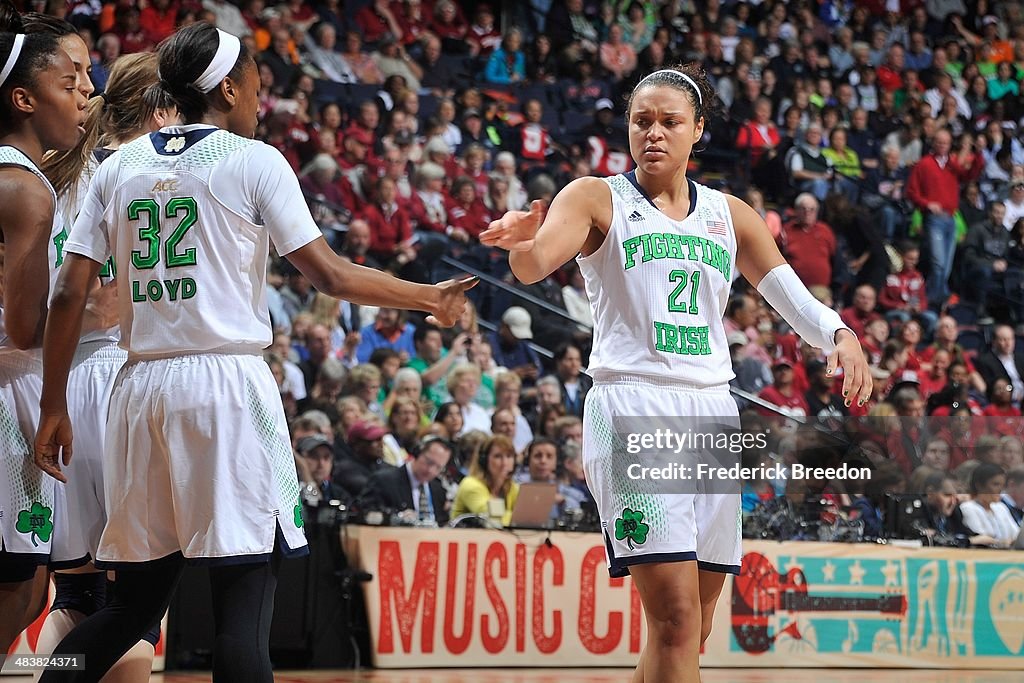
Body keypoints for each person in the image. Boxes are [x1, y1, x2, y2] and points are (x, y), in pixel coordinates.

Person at [32, 24, 473, 683]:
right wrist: (426, 297)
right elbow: (328, 275)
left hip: (137, 389)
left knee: (127, 608)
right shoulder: (253, 160)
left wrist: (52, 405)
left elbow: (67, 295)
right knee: (242, 612)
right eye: (259, 88)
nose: (263, 103)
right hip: (226, 390)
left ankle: (41, 674)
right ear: (229, 88)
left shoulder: (118, 166)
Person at [481, 64, 870, 682]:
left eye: (669, 122)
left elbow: (791, 296)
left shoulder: (731, 214)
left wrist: (840, 335)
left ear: (698, 132)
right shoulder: (593, 196)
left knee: (695, 627)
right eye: (642, 122)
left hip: (711, 414)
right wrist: (522, 243)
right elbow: (534, 268)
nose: (653, 134)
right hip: (633, 407)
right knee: (675, 619)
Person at [38, 48, 168, 680]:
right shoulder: (147, 175)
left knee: (77, 596)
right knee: (136, 608)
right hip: (122, 380)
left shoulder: (61, 172)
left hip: (60, 381)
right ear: (161, 108)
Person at [0, 16, 88, 655]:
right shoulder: (26, 190)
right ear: (24, 100)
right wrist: (94, 308)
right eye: (72, 79)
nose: (87, 90)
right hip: (11, 393)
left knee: (30, 589)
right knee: (19, 587)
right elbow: (24, 326)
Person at [358, 435, 453, 525]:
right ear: (417, 453)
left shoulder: (438, 489)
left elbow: (442, 523)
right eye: (429, 462)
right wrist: (397, 517)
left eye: (438, 467)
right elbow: (366, 514)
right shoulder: (384, 480)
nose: (431, 470)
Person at [451, 434, 519, 527]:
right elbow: (492, 518)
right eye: (498, 456)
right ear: (484, 460)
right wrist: (522, 518)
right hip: (464, 539)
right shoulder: (470, 484)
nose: (504, 463)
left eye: (509, 456)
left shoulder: (512, 487)